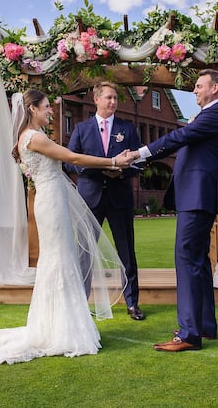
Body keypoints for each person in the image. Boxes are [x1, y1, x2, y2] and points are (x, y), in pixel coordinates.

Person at [0, 89, 132, 365]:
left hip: (52, 200)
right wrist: (113, 161)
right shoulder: (34, 137)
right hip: (51, 203)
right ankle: (60, 330)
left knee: (60, 259)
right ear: (33, 109)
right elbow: (73, 158)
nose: (51, 111)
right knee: (59, 260)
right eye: (47, 106)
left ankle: (61, 324)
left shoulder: (28, 137)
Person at [127, 69, 218, 352]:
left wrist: (139, 153)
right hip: (195, 197)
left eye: (199, 86)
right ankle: (204, 325)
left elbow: (178, 138)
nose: (195, 91)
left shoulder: (217, 114)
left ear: (215, 88)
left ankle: (188, 333)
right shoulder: (210, 115)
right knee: (197, 262)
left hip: (197, 197)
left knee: (186, 260)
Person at [67, 81, 144, 320]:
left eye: (115, 98)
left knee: (126, 251)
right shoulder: (81, 129)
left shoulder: (127, 128)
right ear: (97, 99)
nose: (113, 102)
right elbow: (70, 161)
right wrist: (97, 169)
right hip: (90, 198)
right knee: (85, 252)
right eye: (108, 97)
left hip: (120, 197)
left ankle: (132, 303)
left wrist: (121, 171)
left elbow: (140, 162)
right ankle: (80, 303)